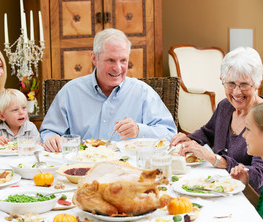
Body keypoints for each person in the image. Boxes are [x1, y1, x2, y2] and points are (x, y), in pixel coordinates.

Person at [40, 28, 177, 152]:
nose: (117, 68)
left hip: (129, 170)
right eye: (110, 60)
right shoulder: (70, 92)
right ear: (94, 58)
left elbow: (170, 134)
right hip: (81, 168)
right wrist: (51, 138)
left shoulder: (143, 93)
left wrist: (139, 130)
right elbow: (48, 131)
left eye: (123, 60)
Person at [170, 47, 263, 193]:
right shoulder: (225, 107)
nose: (236, 92)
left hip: (248, 198)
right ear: (222, 81)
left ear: (257, 83)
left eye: (244, 84)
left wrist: (216, 160)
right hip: (218, 186)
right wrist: (188, 140)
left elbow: (259, 176)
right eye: (231, 84)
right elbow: (207, 132)